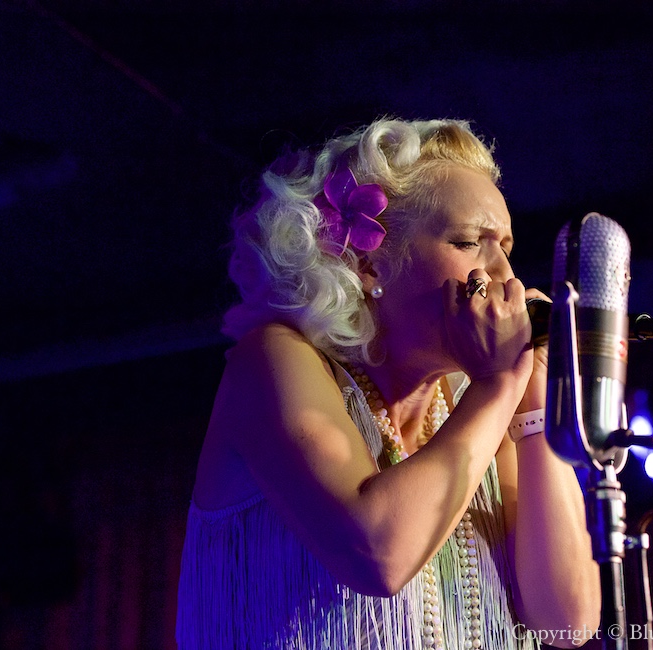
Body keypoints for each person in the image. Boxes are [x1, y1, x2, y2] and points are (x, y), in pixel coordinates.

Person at [176, 118, 601, 649]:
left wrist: (533, 393)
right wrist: (498, 385)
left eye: (506, 248)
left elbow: (569, 620)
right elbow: (378, 554)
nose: (504, 275)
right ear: (368, 262)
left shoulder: (479, 405)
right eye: (469, 242)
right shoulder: (273, 361)